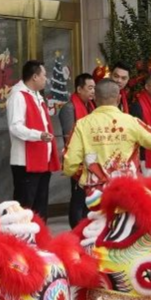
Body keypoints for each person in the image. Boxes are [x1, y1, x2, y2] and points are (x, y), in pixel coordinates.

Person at [8, 59, 58, 217]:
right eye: (44, 75)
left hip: (42, 158)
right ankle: (23, 240)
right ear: (35, 77)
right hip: (25, 162)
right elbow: (15, 126)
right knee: (26, 206)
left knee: (40, 206)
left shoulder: (36, 95)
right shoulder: (18, 95)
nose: (46, 78)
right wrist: (38, 135)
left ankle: (39, 238)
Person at [58, 73, 96, 227]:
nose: (93, 91)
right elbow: (70, 136)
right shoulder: (69, 108)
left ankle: (86, 227)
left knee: (88, 197)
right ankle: (76, 228)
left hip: (91, 158)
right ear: (79, 89)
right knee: (78, 197)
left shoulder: (91, 107)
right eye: (90, 88)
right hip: (78, 159)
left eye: (94, 88)